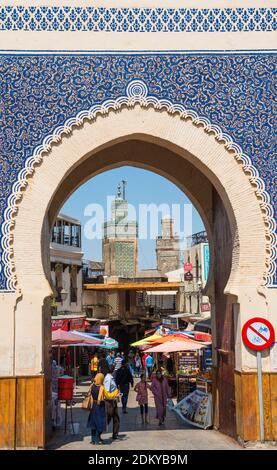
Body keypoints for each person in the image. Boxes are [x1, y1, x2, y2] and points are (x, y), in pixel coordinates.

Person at [87, 373, 106, 445]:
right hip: (100, 406)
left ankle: (93, 439)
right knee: (99, 423)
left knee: (93, 423)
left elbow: (88, 394)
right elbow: (106, 396)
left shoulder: (92, 385)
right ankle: (97, 440)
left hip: (93, 406)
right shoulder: (101, 387)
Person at [104, 365, 121, 440]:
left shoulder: (111, 378)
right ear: (113, 371)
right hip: (109, 402)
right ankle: (99, 432)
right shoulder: (108, 379)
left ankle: (115, 434)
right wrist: (115, 393)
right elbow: (107, 393)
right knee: (108, 417)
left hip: (113, 400)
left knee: (116, 417)